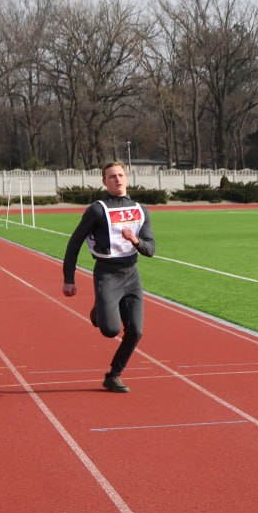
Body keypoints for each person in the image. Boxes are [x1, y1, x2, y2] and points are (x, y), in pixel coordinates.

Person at [61, 162, 156, 393]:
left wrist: (135, 240)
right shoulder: (97, 209)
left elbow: (150, 249)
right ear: (104, 182)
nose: (118, 179)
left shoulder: (140, 209)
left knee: (135, 331)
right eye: (112, 177)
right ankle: (100, 311)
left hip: (132, 275)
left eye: (121, 175)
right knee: (110, 330)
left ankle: (113, 375)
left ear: (127, 178)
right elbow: (74, 242)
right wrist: (69, 277)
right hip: (107, 274)